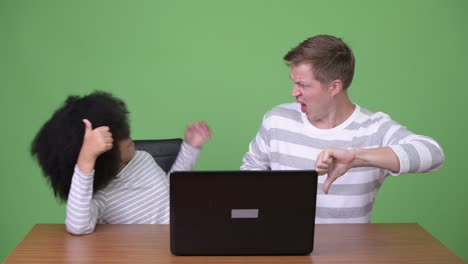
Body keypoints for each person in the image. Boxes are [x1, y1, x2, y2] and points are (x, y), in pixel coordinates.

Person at [241, 35, 445, 223]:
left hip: (350, 253)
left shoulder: (373, 128)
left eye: (303, 85)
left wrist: (357, 158)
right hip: (285, 250)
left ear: (334, 87)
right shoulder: (277, 120)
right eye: (294, 83)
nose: (294, 92)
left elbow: (433, 153)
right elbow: (248, 175)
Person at [31, 91, 211, 235]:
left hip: (183, 237)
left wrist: (190, 148)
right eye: (117, 136)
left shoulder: (143, 158)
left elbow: (171, 189)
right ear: (100, 153)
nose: (128, 137)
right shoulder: (101, 197)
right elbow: (77, 226)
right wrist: (86, 158)